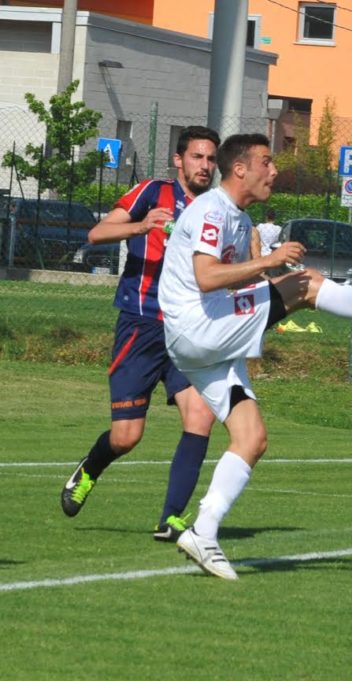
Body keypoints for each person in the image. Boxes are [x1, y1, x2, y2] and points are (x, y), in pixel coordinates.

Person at [158, 133, 352, 579]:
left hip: (199, 344)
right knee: (306, 286)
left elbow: (232, 283)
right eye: (266, 161)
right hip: (198, 326)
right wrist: (272, 268)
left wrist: (274, 274)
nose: (274, 170)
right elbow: (206, 277)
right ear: (239, 168)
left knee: (252, 438)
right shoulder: (212, 209)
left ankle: (203, 532)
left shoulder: (239, 219)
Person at [60, 126, 221, 543]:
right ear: (179, 160)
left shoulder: (217, 209)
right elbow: (97, 234)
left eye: (211, 159)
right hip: (142, 322)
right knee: (126, 437)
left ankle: (170, 520)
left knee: (201, 415)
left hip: (187, 326)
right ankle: (91, 468)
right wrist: (142, 225)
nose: (205, 165)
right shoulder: (152, 192)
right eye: (197, 157)